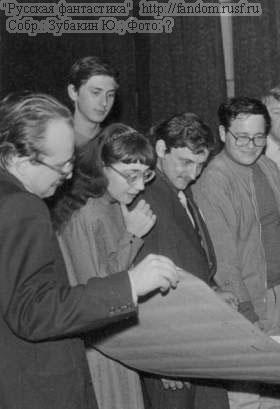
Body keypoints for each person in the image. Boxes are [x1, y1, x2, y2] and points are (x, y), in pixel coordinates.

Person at [0, 92, 179, 409]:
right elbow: (33, 312)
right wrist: (130, 284)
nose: (69, 175)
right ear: (18, 159)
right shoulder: (23, 206)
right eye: (60, 165)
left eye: (71, 162)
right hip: (38, 387)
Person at [192, 97, 280, 409]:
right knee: (246, 398)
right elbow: (223, 259)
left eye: (259, 137)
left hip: (278, 296)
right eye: (242, 137)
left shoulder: (267, 166)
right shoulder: (214, 180)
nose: (251, 145)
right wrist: (246, 314)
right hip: (243, 304)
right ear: (223, 133)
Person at [53, 123, 158, 409]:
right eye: (131, 175)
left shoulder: (112, 205)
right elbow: (98, 294)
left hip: (116, 337)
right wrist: (132, 236)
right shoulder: (85, 213)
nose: (140, 186)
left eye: (146, 175)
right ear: (102, 167)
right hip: (97, 347)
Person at [135, 113, 231, 409]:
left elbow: (189, 258)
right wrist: (162, 358)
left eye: (200, 165)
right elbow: (143, 287)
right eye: (186, 162)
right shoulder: (144, 197)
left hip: (197, 341)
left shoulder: (179, 190)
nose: (193, 174)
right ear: (161, 149)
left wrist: (212, 290)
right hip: (172, 352)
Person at [67, 56, 119, 147]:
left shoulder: (114, 145)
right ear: (73, 92)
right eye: (96, 93)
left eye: (110, 95)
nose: (104, 103)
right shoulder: (55, 141)